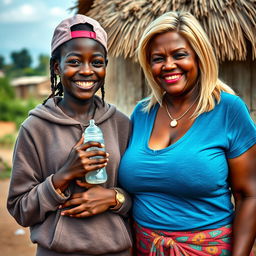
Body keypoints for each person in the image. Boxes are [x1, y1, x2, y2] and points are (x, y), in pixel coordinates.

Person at [118, 11, 256, 256]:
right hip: (144, 248)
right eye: (158, 58)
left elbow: (249, 195)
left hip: (207, 249)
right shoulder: (142, 113)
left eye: (179, 55)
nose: (168, 65)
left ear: (199, 57)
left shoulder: (228, 110)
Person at [7, 14, 132, 256]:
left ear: (105, 66)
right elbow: (20, 209)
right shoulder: (35, 128)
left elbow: (140, 195)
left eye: (97, 62)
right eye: (74, 62)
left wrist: (114, 198)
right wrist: (64, 175)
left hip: (117, 251)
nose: (86, 71)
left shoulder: (121, 124)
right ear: (57, 66)